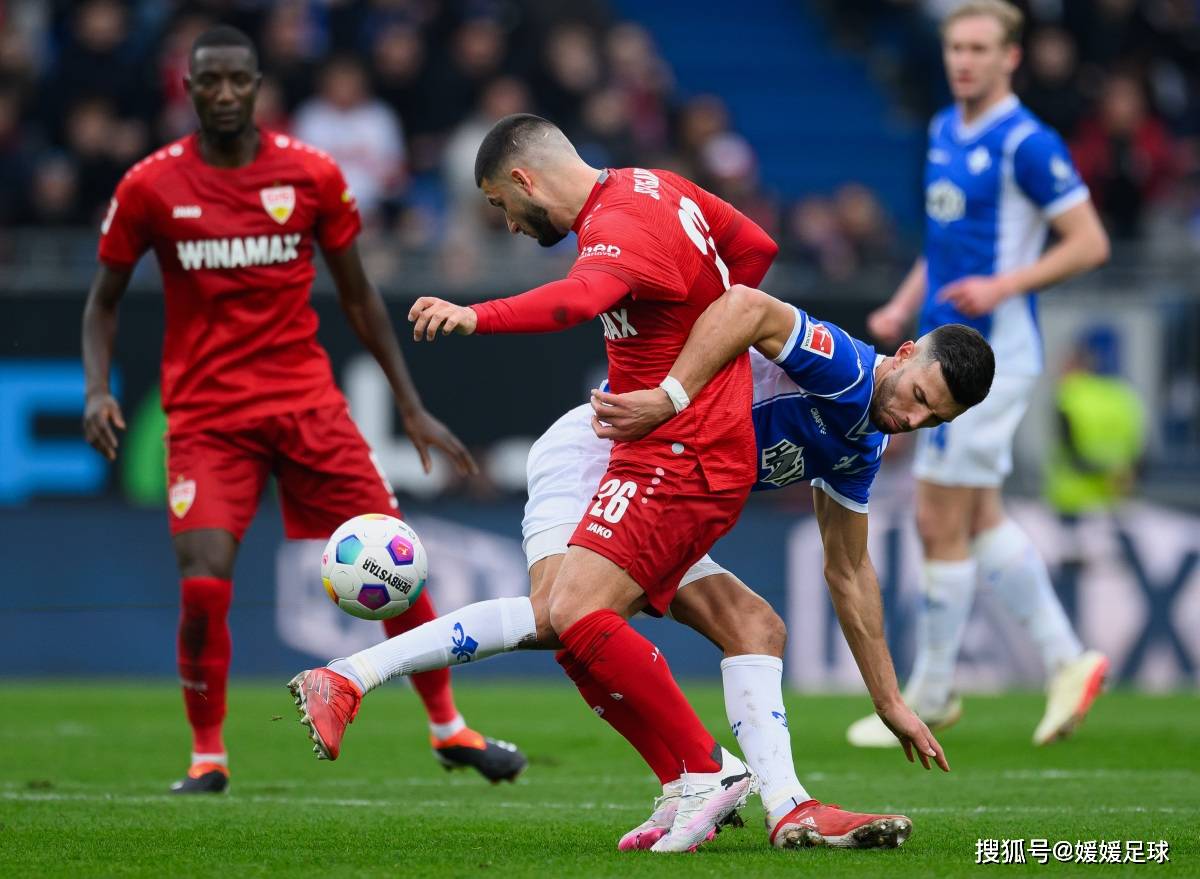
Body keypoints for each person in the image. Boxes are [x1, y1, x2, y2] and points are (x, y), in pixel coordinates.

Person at [290, 280, 995, 850]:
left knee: (754, 626)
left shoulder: (863, 444)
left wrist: (888, 699)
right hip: (603, 453)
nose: (912, 419)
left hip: (669, 488)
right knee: (558, 617)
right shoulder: (844, 366)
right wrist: (671, 397)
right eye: (919, 397)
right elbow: (748, 304)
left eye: (933, 421)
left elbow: (849, 570)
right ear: (904, 354)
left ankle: (786, 807)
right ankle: (351, 676)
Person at [80, 26, 525, 795]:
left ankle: (449, 727)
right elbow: (102, 301)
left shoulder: (311, 173)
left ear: (259, 87)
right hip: (208, 417)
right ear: (188, 89)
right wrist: (96, 388)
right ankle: (208, 755)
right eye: (209, 81)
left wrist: (410, 404)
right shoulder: (150, 186)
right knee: (203, 585)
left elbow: (358, 294)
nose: (225, 94)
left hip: (307, 406)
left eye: (237, 80)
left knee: (396, 560)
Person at [854, 0, 1112, 750]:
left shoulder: (1026, 143)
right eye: (955, 47)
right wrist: (903, 302)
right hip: (944, 348)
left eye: (978, 49)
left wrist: (1005, 285)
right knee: (979, 516)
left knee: (938, 518)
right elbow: (942, 243)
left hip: (986, 359)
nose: (963, 61)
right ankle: (1067, 659)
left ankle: (933, 690)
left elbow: (1089, 241)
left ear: (1010, 58)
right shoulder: (943, 128)